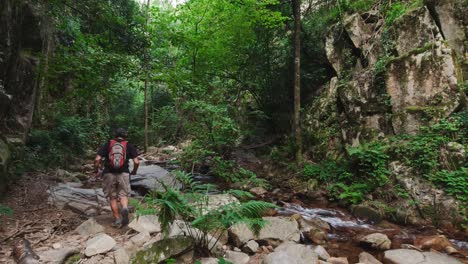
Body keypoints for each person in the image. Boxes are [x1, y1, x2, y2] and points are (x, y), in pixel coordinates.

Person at [93, 128, 139, 228]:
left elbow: (97, 159)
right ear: (125, 135)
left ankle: (117, 219)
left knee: (112, 197)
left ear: (115, 135)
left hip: (109, 173)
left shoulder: (108, 144)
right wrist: (134, 171)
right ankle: (125, 208)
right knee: (123, 194)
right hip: (124, 173)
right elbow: (136, 161)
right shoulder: (129, 145)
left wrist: (96, 170)